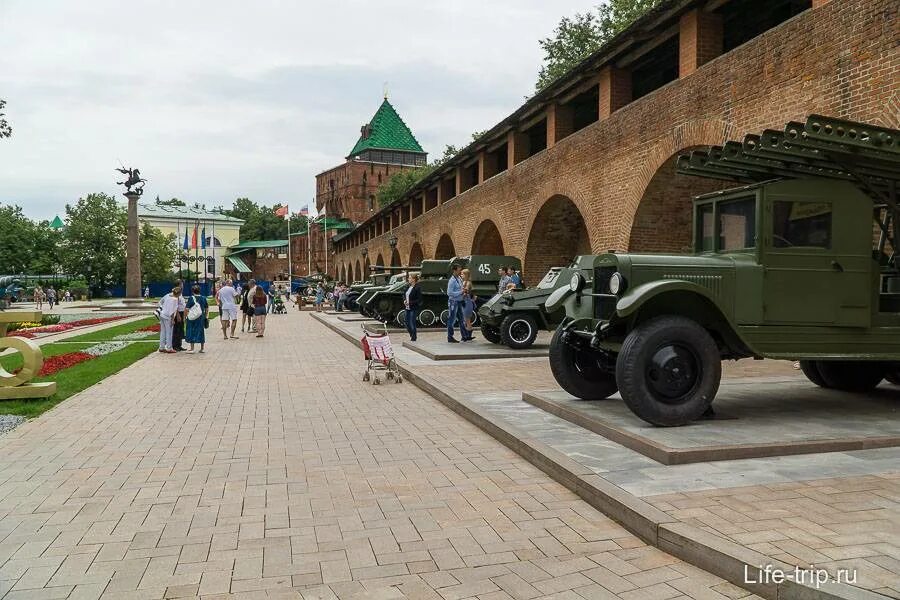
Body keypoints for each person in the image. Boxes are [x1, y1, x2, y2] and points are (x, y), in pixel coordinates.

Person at [184, 284, 209, 353]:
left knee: (191, 330)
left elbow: (186, 309)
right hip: (201, 317)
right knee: (201, 331)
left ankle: (192, 348)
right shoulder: (203, 298)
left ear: (192, 291)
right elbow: (206, 308)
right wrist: (206, 316)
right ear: (199, 291)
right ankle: (202, 348)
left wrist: (185, 317)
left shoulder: (191, 298)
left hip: (192, 317)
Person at [158, 287, 180, 354]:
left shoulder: (167, 295)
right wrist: (173, 319)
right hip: (168, 317)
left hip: (162, 314)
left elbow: (160, 302)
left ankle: (161, 347)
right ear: (178, 293)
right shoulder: (175, 299)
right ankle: (169, 348)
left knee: (163, 331)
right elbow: (173, 311)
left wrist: (163, 308)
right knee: (169, 332)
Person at [446, 264, 464, 343]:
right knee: (452, 319)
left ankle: (464, 335)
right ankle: (450, 337)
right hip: (453, 302)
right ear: (454, 270)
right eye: (459, 270)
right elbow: (449, 293)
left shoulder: (459, 278)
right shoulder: (452, 280)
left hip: (459, 301)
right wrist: (461, 292)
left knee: (461, 319)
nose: (460, 271)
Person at [404, 274, 422, 342]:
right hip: (407, 307)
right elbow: (404, 294)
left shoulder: (417, 288)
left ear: (413, 279)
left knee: (412, 322)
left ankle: (414, 337)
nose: (408, 279)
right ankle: (412, 334)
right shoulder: (408, 286)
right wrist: (404, 300)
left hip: (413, 308)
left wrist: (410, 302)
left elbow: (419, 299)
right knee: (406, 322)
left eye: (410, 278)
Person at [460, 269, 476, 342]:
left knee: (467, 320)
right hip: (465, 302)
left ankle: (467, 335)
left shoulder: (468, 283)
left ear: (466, 275)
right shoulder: (463, 282)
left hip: (467, 302)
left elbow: (465, 292)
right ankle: (467, 334)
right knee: (465, 319)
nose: (461, 275)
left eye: (462, 274)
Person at [172, 282, 186, 352]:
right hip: (178, 313)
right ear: (179, 285)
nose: (182, 286)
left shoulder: (180, 293)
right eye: (181, 284)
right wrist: (178, 315)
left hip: (181, 313)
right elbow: (175, 305)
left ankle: (179, 345)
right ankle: (175, 345)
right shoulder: (176, 293)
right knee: (177, 330)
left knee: (180, 330)